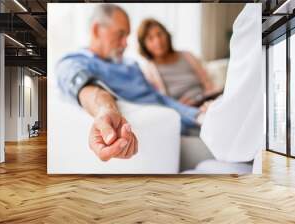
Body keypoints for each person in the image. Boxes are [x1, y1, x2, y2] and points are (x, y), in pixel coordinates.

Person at [56, 4, 209, 162]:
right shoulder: (74, 62)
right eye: (120, 34)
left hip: (187, 122)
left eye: (127, 36)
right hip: (169, 133)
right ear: (96, 30)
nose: (125, 43)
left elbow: (160, 98)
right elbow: (85, 88)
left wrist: (198, 116)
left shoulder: (131, 64)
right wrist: (104, 110)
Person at [137, 18, 218, 106]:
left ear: (167, 35)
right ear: (144, 45)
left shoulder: (187, 55)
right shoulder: (149, 71)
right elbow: (159, 103)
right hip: (184, 111)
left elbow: (208, 84)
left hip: (207, 101)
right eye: (150, 38)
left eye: (159, 34)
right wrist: (179, 107)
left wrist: (210, 101)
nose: (158, 41)